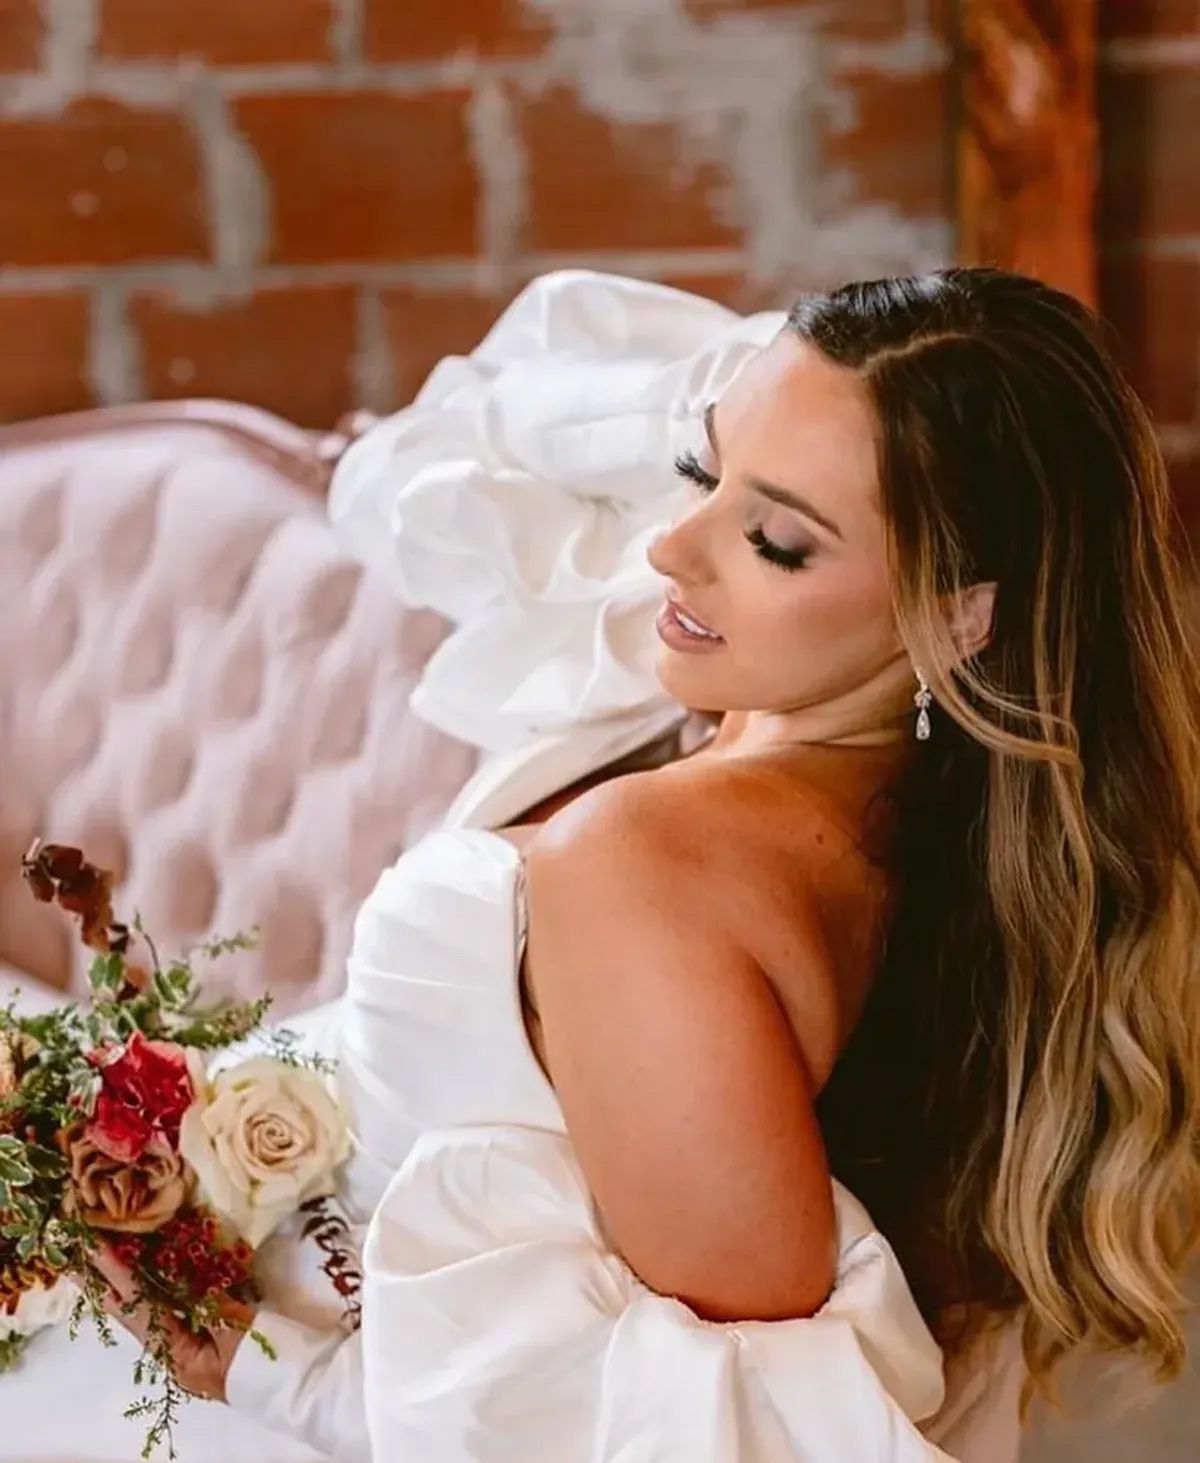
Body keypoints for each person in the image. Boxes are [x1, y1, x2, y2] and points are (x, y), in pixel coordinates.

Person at [10, 264, 1200, 1462]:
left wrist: (276, 1371)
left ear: (960, 615)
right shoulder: (868, 779)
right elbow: (445, 444)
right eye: (702, 468)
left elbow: (709, 1427)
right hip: (215, 1282)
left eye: (778, 539)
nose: (673, 546)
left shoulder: (649, 869)